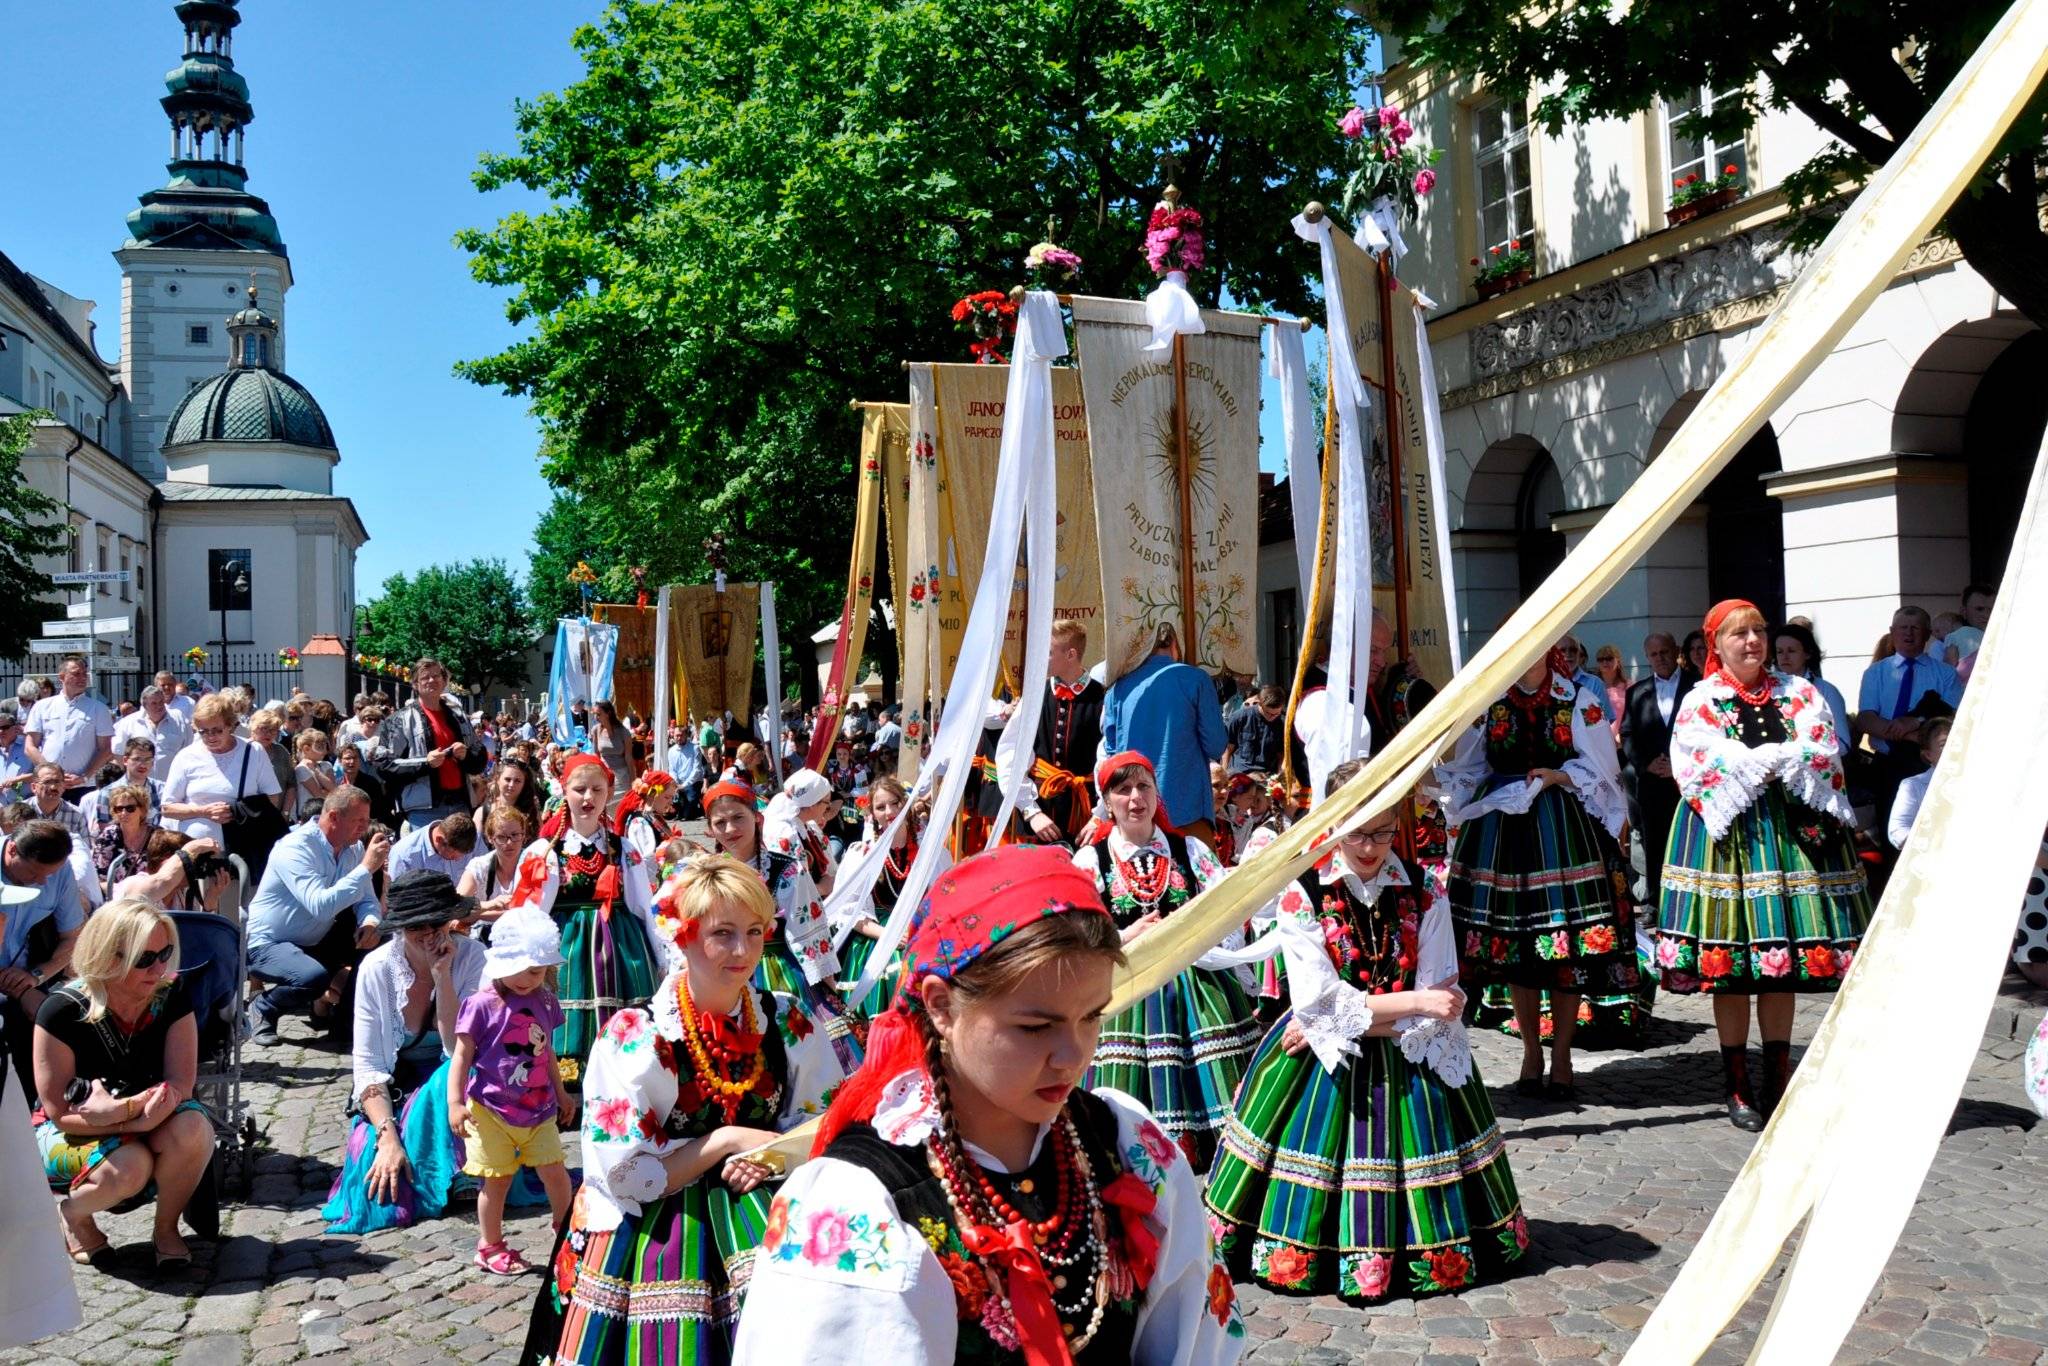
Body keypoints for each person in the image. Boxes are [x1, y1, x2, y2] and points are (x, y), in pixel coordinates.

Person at [733, 843, 1245, 1363]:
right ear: (941, 1006)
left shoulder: (1123, 1141)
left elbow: (1195, 1340)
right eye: (1035, 1026)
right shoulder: (861, 1202)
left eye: (1092, 1017)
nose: (1073, 1056)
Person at [1206, 765, 1526, 1304]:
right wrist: (1409, 1004)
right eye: (1357, 832)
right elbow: (1323, 1003)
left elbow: (1441, 998)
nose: (1371, 846)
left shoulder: (1426, 889)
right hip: (1330, 1062)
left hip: (1410, 1053)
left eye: (1383, 831)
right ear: (1333, 823)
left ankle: (1423, 1248)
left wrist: (1361, 1014)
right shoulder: (1303, 891)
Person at [524, 855, 848, 1364]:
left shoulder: (785, 1018)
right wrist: (725, 1141)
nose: (743, 951)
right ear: (683, 936)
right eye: (722, 934)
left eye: (755, 932)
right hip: (659, 1221)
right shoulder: (637, 1036)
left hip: (763, 1195)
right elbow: (627, 1177)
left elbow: (825, 1125)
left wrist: (772, 1157)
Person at [1654, 600, 1872, 1131]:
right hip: (1727, 839)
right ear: (1716, 644)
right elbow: (1694, 757)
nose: (1753, 641)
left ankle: (1777, 1078)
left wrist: (1781, 758)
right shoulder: (1702, 699)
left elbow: (1822, 746)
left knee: (1782, 963)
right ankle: (1737, 1085)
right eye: (1739, 634)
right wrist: (1758, 759)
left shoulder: (1798, 691)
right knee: (1729, 967)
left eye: (1758, 631)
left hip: (1791, 835)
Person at [1437, 647, 1639, 1094]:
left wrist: (1558, 776)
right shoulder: (1490, 703)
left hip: (1560, 829)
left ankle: (1562, 1055)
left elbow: (1603, 768)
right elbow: (1470, 765)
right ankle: (1531, 1051)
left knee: (1565, 950)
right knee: (1515, 950)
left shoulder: (1577, 699)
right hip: (1500, 833)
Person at [1070, 751, 1260, 1167]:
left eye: (1144, 787)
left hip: (1196, 980)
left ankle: (1217, 1156)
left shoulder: (1189, 849)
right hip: (1129, 983)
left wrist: (1198, 935)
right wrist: (1125, 936)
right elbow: (1076, 932)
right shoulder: (1090, 860)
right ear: (1107, 801)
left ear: (1157, 794)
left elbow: (1227, 909)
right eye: (1123, 790)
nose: (1135, 798)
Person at [321, 871, 515, 1234]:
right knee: (378, 1185)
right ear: (400, 928)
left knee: (454, 1075)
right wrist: (387, 1136)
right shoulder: (376, 969)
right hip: (396, 1088)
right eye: (415, 927)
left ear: (450, 920)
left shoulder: (475, 959)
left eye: (436, 923)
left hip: (460, 1082)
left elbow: (459, 1049)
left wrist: (443, 979)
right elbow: (369, 1066)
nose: (428, 934)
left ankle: (463, 1169)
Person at [32, 900, 215, 1268]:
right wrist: (129, 1118)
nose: (159, 969)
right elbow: (60, 1114)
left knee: (195, 1128)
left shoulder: (170, 993)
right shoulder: (61, 1010)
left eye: (164, 954)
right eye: (143, 959)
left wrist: (132, 1114)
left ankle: (167, 1229)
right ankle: (74, 1213)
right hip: (72, 1127)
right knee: (129, 1167)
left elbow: (181, 1082)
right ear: (106, 956)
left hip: (149, 1113)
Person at [504, 754, 662, 1087]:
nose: (588, 797)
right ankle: (567, 1088)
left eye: (596, 790)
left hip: (621, 949)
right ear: (564, 791)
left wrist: (661, 959)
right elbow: (529, 914)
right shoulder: (544, 852)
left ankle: (622, 1085)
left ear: (609, 793)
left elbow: (643, 908)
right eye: (579, 789)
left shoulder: (624, 848)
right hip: (569, 948)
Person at [700, 780, 860, 1072]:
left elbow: (808, 928)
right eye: (720, 822)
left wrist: (826, 986)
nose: (730, 829)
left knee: (792, 1053)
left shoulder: (785, 869)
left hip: (778, 972)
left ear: (757, 817)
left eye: (738, 817)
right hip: (725, 971)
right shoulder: (706, 873)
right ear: (710, 829)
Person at [450, 906, 576, 1274]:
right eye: (518, 969)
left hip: (539, 1107)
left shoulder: (545, 1000)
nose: (525, 979)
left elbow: (546, 1052)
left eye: (535, 971)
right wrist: (455, 1102)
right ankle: (490, 1245)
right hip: (490, 1110)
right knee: (497, 1180)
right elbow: (461, 1056)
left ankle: (567, 1231)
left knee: (555, 1171)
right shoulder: (480, 1005)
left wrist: (561, 1092)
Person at [244, 788, 391, 1046]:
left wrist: (369, 922)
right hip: (268, 942)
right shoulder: (296, 847)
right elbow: (320, 906)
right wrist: (367, 867)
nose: (364, 828)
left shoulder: (353, 848)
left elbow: (366, 899)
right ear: (334, 817)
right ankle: (264, 1007)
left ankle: (347, 1024)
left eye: (367, 820)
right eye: (358, 821)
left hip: (315, 938)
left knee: (382, 942)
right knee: (311, 978)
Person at [832, 776, 951, 1018]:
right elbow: (848, 913)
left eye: (895, 803)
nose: (890, 812)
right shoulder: (862, 855)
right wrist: (888, 935)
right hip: (879, 932)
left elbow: (946, 900)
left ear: (906, 803)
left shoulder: (931, 852)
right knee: (896, 964)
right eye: (881, 807)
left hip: (923, 928)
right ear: (872, 813)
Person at [1102, 622, 1229, 846]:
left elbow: (1112, 752)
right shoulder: (1195, 679)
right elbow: (1216, 745)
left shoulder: (1119, 688)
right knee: (1195, 867)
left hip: (1136, 811)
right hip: (1186, 809)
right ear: (1175, 643)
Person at [1855, 605, 1964, 832]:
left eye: (1915, 628)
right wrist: (1904, 733)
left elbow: (1952, 718)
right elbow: (1865, 719)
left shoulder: (1945, 673)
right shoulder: (1876, 672)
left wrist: (1915, 723)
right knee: (1891, 832)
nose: (1909, 633)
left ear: (1927, 634)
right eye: (1903, 628)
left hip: (1928, 764)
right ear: (1892, 632)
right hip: (1887, 764)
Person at [0, 822, 88, 1092]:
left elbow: (73, 938)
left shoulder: (58, 871)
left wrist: (35, 977)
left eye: (50, 874)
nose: (42, 882)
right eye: (34, 873)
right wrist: (22, 991)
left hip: (28, 979)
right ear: (11, 850)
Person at [1620, 632, 1701, 908]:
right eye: (1654, 654)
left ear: (1676, 651)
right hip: (1652, 782)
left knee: (1690, 842)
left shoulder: (1697, 685)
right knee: (1655, 844)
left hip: (1687, 782)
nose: (1660, 658)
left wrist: (1680, 765)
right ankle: (1657, 904)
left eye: (1664, 652)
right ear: (1647, 657)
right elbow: (1627, 734)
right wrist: (1645, 764)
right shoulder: (1636, 692)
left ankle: (1692, 904)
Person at [162, 692, 283, 854]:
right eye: (203, 731)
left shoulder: (254, 751)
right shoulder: (186, 756)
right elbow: (168, 808)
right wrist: (203, 811)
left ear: (230, 725)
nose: (210, 736)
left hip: (243, 847)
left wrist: (238, 813)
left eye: (217, 730)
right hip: (195, 853)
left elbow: (272, 798)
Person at [380, 659, 489, 831]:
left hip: (460, 803)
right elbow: (384, 764)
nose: (432, 680)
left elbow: (480, 757)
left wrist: (466, 755)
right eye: (425, 677)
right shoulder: (400, 720)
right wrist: (425, 763)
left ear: (444, 681)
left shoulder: (458, 715)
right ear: (415, 684)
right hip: (422, 810)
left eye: (437, 676)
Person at [23, 658, 115, 803]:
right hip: (48, 785)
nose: (82, 678)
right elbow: (30, 747)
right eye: (76, 674)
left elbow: (106, 749)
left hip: (83, 786)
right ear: (62, 676)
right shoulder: (42, 706)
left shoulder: (98, 709)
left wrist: (85, 777)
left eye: (84, 674)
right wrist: (51, 773)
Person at [1771, 624, 1853, 761]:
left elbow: (1843, 744)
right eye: (1779, 651)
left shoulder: (1826, 691)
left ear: (1808, 653)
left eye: (1791, 651)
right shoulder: (1766, 691)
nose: (1784, 657)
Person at [457, 803, 534, 935]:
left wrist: (477, 914)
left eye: (515, 835)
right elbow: (457, 907)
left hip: (525, 933)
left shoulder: (534, 863)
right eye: (501, 837)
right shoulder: (479, 866)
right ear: (490, 838)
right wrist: (490, 904)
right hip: (484, 937)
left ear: (524, 835)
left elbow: (535, 913)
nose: (509, 843)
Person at [763, 768, 836, 896]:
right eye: (827, 803)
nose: (827, 808)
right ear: (813, 804)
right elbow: (788, 888)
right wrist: (822, 889)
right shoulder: (785, 834)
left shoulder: (804, 823)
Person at [1886, 716, 1951, 851]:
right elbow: (1898, 830)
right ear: (1928, 755)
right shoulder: (1914, 785)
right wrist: (1930, 844)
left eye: (1955, 742)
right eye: (1943, 745)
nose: (1952, 748)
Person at [84, 738, 163, 840]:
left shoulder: (161, 790)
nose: (143, 764)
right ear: (125, 760)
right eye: (137, 759)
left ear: (153, 762)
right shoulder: (107, 793)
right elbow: (105, 828)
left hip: (153, 843)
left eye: (148, 760)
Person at [88, 782, 160, 889]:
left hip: (150, 893)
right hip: (115, 895)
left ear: (142, 810)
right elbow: (98, 879)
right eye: (119, 809)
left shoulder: (158, 837)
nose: (124, 813)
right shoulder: (108, 835)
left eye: (130, 808)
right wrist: (121, 891)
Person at [114, 688, 192, 782]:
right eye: (154, 703)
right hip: (138, 784)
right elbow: (118, 752)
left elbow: (189, 749)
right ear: (144, 706)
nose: (159, 706)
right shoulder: (128, 723)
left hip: (172, 782)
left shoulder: (179, 720)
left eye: (161, 702)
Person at [612, 770, 677, 871]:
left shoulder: (652, 816)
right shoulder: (640, 823)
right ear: (652, 795)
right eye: (667, 797)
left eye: (672, 798)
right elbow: (645, 862)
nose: (671, 802)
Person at [388, 811, 479, 884]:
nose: (458, 859)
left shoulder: (473, 839)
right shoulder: (403, 855)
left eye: (465, 854)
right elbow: (398, 896)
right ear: (439, 840)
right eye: (453, 855)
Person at [1222, 684, 1287, 780]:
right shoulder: (1239, 717)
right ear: (1259, 704)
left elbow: (1281, 753)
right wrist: (1224, 775)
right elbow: (1227, 748)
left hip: (1267, 776)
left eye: (1276, 714)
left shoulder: (1281, 723)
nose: (1272, 717)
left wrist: (1280, 773)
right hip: (1240, 774)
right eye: (1268, 713)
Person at [585, 700, 635, 801]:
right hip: (604, 774)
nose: (596, 717)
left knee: (622, 803)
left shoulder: (623, 732)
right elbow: (596, 755)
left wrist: (633, 779)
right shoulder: (596, 730)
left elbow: (629, 757)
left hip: (622, 776)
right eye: (595, 714)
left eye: (599, 714)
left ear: (608, 714)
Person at [1944, 582, 1994, 666]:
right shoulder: (1954, 638)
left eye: (1993, 609)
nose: (1987, 615)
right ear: (1963, 612)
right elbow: (1947, 672)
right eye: (1979, 609)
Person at [293, 729, 339, 818]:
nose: (325, 751)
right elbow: (318, 795)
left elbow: (333, 789)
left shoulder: (326, 765)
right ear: (306, 749)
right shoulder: (301, 769)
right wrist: (326, 791)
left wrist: (315, 770)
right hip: (309, 815)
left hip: (326, 813)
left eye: (325, 747)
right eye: (320, 747)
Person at [1593, 645, 1630, 741]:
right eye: (1601, 659)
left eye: (1609, 658)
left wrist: (1622, 736)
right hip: (1599, 740)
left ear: (1618, 660)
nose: (1605, 662)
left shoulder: (1629, 686)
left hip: (1623, 739)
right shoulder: (1593, 687)